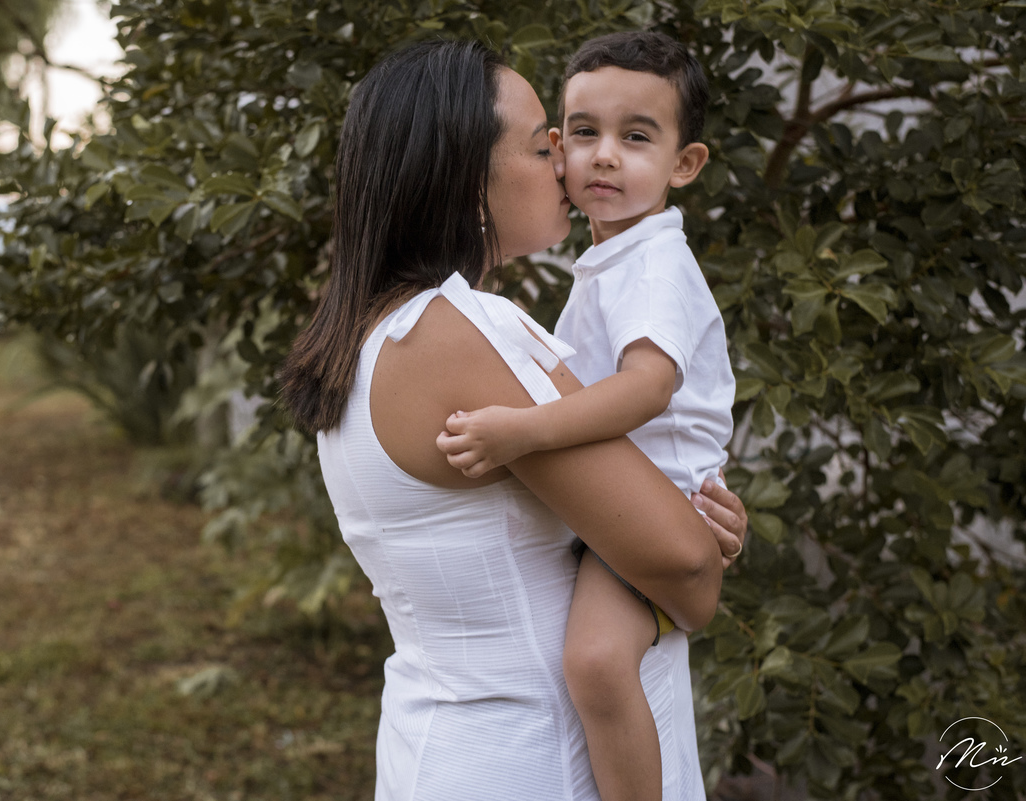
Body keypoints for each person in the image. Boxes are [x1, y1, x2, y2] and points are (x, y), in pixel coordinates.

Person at [280, 39, 747, 801]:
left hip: (438, 748)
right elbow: (686, 573)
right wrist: (701, 539)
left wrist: (684, 503)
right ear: (469, 182)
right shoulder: (469, 332)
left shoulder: (369, 334)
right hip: (538, 763)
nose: (568, 165)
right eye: (544, 146)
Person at [436, 32, 733, 800]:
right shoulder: (611, 262)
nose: (603, 155)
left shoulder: (655, 264)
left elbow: (647, 389)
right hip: (633, 496)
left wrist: (522, 430)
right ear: (557, 147)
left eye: (636, 137)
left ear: (684, 164)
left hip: (662, 497)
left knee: (597, 662)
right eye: (583, 132)